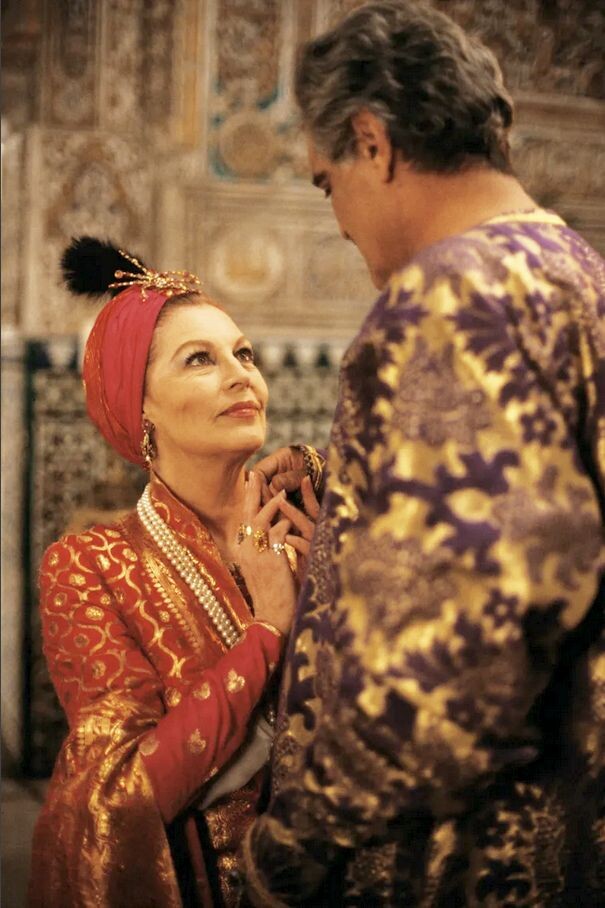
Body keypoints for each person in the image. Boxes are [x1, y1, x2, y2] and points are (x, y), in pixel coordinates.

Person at [242, 1, 605, 904]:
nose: (337, 218)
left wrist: (291, 848)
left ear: (372, 143)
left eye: (325, 183)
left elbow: (446, 673)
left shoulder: (448, 298)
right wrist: (348, 481)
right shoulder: (573, 270)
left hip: (463, 858)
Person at [28, 237, 322, 908]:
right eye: (199, 359)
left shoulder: (310, 525)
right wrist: (269, 632)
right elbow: (122, 796)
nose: (240, 375)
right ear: (140, 407)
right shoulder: (91, 566)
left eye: (244, 354)